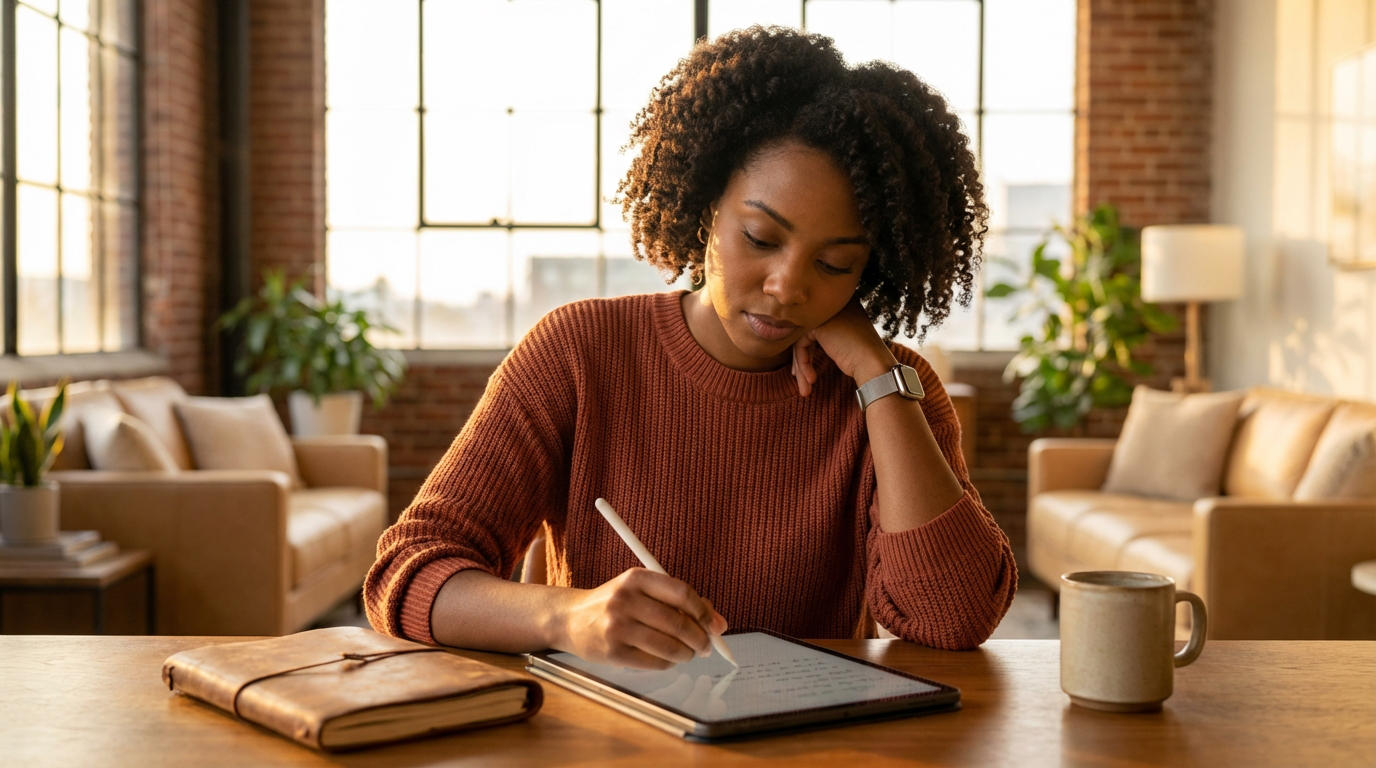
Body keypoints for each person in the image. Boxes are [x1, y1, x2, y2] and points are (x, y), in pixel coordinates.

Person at [365, 26, 1016, 669]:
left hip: (807, 743)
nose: (787, 286)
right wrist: (566, 617)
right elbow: (406, 575)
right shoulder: (580, 352)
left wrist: (876, 374)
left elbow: (951, 619)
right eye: (761, 238)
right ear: (706, 208)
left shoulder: (895, 393)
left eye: (835, 264)